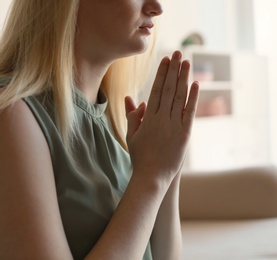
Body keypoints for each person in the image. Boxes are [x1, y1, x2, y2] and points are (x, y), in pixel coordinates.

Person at [0, 0, 199, 259]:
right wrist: (151, 177)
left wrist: (169, 167)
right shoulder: (13, 116)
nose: (156, 7)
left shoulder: (115, 120)